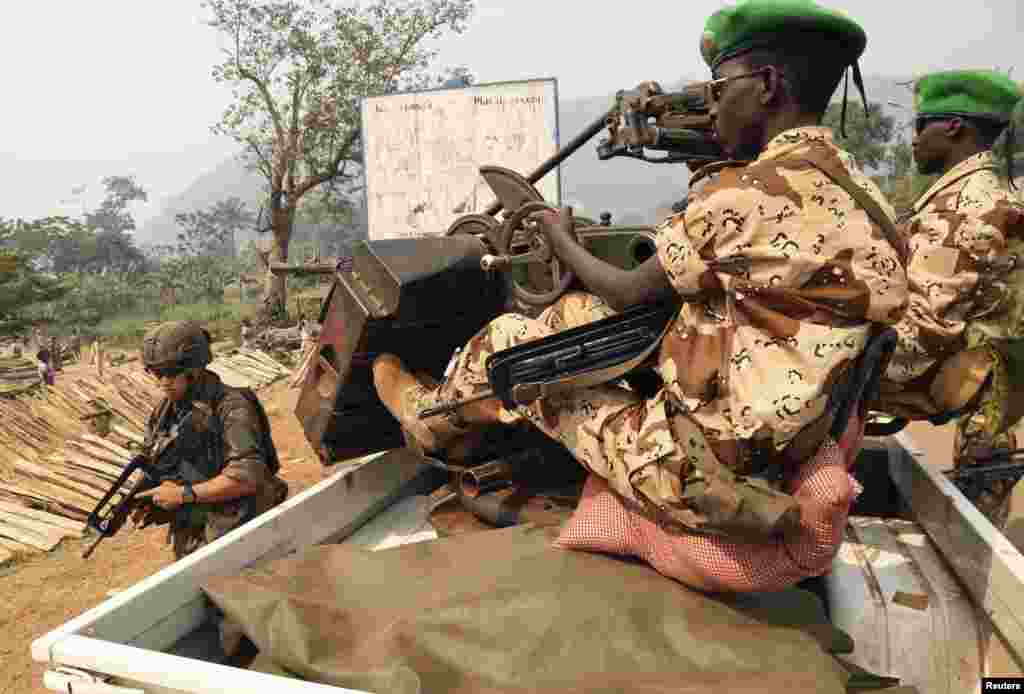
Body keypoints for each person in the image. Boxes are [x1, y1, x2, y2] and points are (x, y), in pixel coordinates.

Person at [372, 0, 907, 591]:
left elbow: (628, 292)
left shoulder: (747, 194)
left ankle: (432, 419)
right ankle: (465, 418)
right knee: (573, 315)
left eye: (720, 87)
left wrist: (556, 233)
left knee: (512, 343)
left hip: (696, 470)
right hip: (783, 438)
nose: (713, 103)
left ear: (768, 85)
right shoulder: (869, 198)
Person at [875, 69, 1024, 528]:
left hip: (977, 397)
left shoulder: (968, 208)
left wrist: (845, 375)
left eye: (922, 125)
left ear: (954, 127)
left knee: (971, 547)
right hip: (986, 391)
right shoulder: (971, 197)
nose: (914, 139)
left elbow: (925, 331)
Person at [133, 320, 288, 560]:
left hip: (242, 529)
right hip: (196, 531)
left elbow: (247, 478)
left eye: (171, 372)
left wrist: (185, 494)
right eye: (156, 372)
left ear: (195, 370)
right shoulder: (165, 411)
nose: (163, 382)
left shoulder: (231, 407)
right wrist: (158, 499)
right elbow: (166, 469)